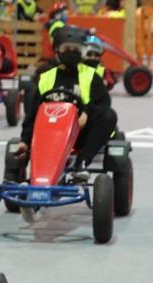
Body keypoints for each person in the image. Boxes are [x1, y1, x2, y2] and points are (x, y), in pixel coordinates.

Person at [14, 27, 117, 182]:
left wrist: (86, 113)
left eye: (75, 49)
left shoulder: (90, 75)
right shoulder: (47, 78)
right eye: (66, 48)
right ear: (57, 51)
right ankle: (37, 177)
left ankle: (81, 163)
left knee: (109, 116)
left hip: (80, 134)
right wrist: (24, 141)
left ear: (82, 51)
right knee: (20, 145)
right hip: (49, 134)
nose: (71, 52)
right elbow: (32, 115)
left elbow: (104, 104)